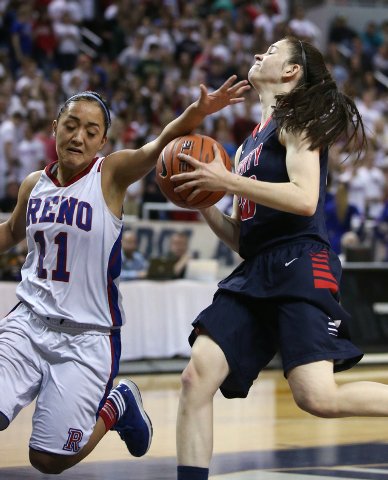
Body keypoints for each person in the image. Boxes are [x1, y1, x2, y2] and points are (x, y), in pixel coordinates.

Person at [0, 76, 249, 475]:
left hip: (87, 335)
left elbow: (158, 145)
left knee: (47, 461)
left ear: (102, 142)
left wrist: (197, 112)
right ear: (54, 129)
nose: (78, 136)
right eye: (70, 125)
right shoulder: (34, 185)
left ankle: (118, 404)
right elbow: (12, 232)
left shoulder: (110, 175)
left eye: (91, 131)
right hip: (27, 323)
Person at [169, 36, 388, 480]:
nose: (257, 56)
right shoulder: (250, 142)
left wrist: (226, 182)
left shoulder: (299, 118)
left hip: (301, 263)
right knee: (196, 378)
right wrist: (205, 201)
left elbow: (305, 199)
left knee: (317, 397)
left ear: (290, 72)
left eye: (269, 52)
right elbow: (242, 238)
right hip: (256, 268)